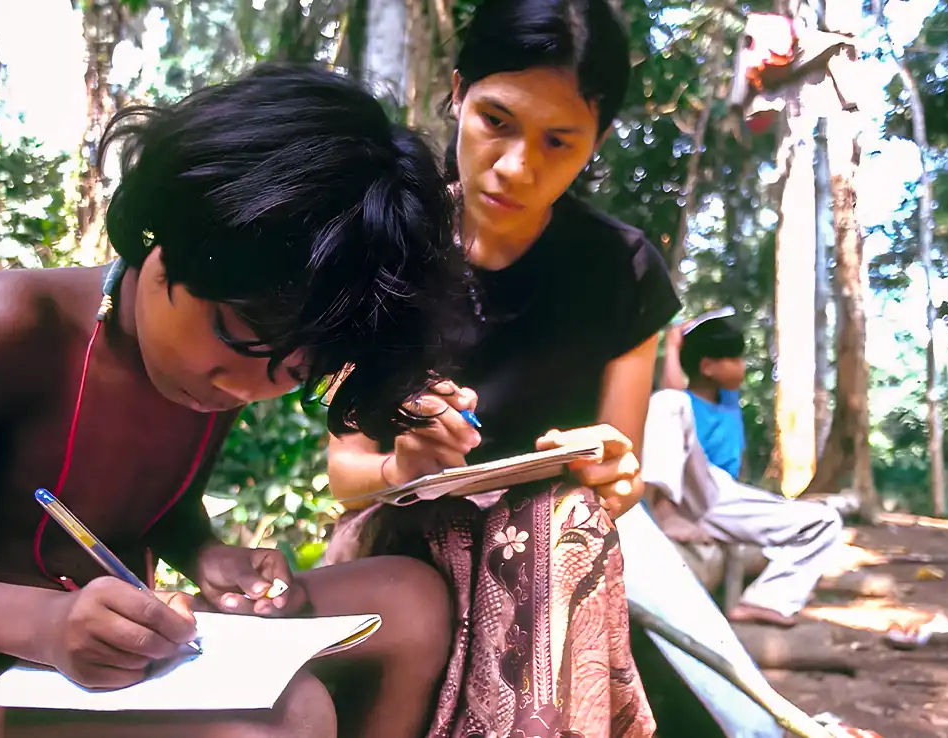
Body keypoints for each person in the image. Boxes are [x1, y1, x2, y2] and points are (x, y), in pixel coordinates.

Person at [0, 64, 462, 738]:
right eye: (236, 335)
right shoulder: (10, 322)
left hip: (112, 645)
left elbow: (139, 495)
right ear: (173, 237)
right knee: (284, 720)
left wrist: (205, 555)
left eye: (295, 370)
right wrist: (42, 626)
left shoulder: (219, 353)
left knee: (411, 600)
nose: (243, 389)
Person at [323, 0, 674, 734]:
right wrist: (402, 468)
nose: (517, 166)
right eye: (496, 121)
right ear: (457, 93)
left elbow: (611, 476)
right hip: (403, 537)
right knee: (492, 532)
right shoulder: (391, 248)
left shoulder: (623, 272)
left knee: (564, 520)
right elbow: (347, 476)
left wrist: (614, 475)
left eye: (559, 142)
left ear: (597, 143)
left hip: (550, 555)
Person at [644, 316, 844, 628]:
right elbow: (670, 394)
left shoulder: (726, 398)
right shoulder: (682, 402)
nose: (743, 365)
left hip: (723, 498)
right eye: (735, 359)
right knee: (670, 401)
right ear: (708, 367)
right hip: (690, 487)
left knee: (825, 521)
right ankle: (665, 512)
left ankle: (768, 599)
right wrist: (672, 345)